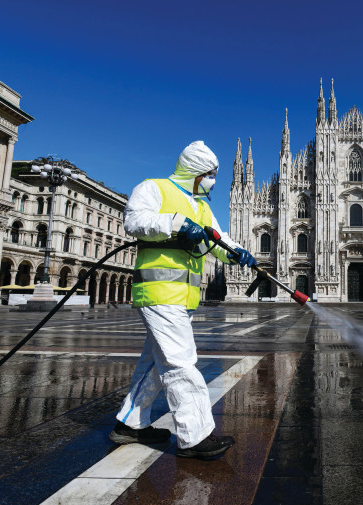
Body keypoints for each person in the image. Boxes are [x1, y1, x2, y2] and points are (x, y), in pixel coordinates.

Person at [109, 140, 257, 459]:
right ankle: (195, 436)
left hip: (182, 297)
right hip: (158, 291)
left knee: (154, 364)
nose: (213, 181)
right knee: (180, 362)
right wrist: (175, 224)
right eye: (210, 174)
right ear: (195, 171)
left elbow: (218, 239)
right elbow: (134, 221)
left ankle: (130, 423)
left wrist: (238, 253)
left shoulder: (201, 206)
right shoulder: (155, 188)